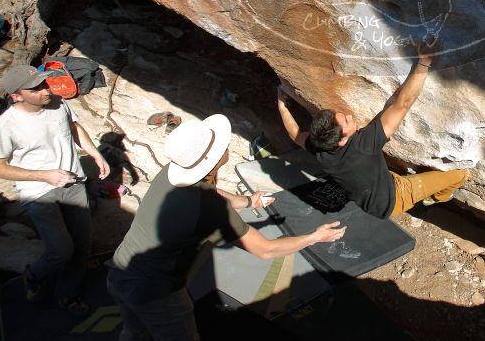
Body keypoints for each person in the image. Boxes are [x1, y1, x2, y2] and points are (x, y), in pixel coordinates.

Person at [107, 114, 346, 340]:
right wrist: (314, 237)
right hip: (156, 292)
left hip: (119, 269)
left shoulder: (171, 173)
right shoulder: (209, 208)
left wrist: (249, 201)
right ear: (212, 162)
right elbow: (265, 250)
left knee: (134, 332)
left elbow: (213, 191)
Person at [277, 45, 468, 219]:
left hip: (371, 197)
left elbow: (295, 134)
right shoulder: (363, 146)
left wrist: (282, 106)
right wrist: (424, 63)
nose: (349, 117)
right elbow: (403, 104)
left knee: (387, 173)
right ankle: (436, 198)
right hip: (396, 198)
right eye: (346, 121)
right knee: (461, 174)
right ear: (342, 141)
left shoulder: (321, 149)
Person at [0, 65, 110, 315]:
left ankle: (67, 294)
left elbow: (74, 127)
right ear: (17, 96)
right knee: (60, 250)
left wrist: (96, 155)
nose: (46, 90)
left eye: (44, 83)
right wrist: (44, 175)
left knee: (81, 248)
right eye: (36, 89)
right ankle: (33, 275)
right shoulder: (4, 126)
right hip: (39, 191)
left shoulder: (58, 103)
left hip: (73, 183)